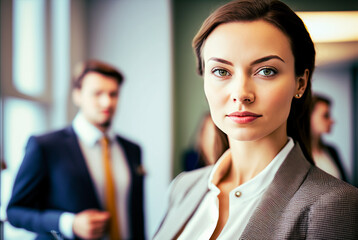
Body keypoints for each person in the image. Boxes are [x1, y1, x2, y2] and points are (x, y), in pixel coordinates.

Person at [153, 0, 358, 239]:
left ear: (300, 83)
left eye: (266, 71)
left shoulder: (332, 204)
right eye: (221, 71)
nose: (241, 93)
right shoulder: (183, 187)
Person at [7, 60, 146, 240]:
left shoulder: (132, 149)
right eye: (97, 94)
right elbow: (15, 212)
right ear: (77, 95)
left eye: (113, 94)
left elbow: (136, 214)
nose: (107, 102)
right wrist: (67, 224)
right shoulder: (46, 146)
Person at [311, 94, 347, 181]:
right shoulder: (296, 155)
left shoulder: (331, 151)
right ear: (307, 117)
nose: (332, 121)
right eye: (326, 115)